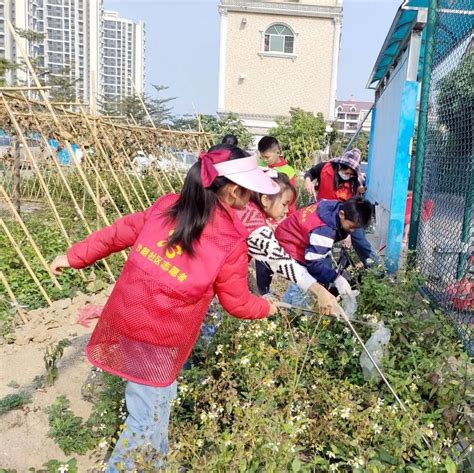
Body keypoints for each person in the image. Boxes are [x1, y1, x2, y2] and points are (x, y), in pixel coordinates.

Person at [50, 145, 283, 471]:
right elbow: (237, 303)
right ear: (232, 190)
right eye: (249, 191)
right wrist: (268, 308)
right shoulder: (229, 240)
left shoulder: (167, 205)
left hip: (126, 320)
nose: (252, 199)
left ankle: (157, 465)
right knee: (146, 418)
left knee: (157, 404)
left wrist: (73, 256)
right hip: (159, 340)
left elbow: (116, 234)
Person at [237, 170, 338, 313]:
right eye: (284, 204)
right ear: (265, 200)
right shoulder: (254, 225)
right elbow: (280, 260)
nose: (286, 211)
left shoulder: (245, 208)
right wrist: (319, 291)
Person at [275, 197, 373, 306]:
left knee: (320, 271)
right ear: (341, 214)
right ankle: (297, 313)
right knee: (304, 279)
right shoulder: (324, 231)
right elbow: (313, 264)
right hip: (290, 243)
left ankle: (286, 307)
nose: (352, 231)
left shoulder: (334, 206)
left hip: (293, 233)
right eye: (351, 227)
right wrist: (336, 278)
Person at [303, 149, 377, 267]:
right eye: (346, 172)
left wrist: (348, 235)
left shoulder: (356, 183)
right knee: (323, 242)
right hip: (323, 213)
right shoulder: (325, 168)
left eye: (351, 174)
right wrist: (308, 181)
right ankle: (323, 271)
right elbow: (310, 173)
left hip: (345, 215)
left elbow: (354, 212)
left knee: (360, 240)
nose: (348, 176)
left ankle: (375, 268)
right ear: (340, 166)